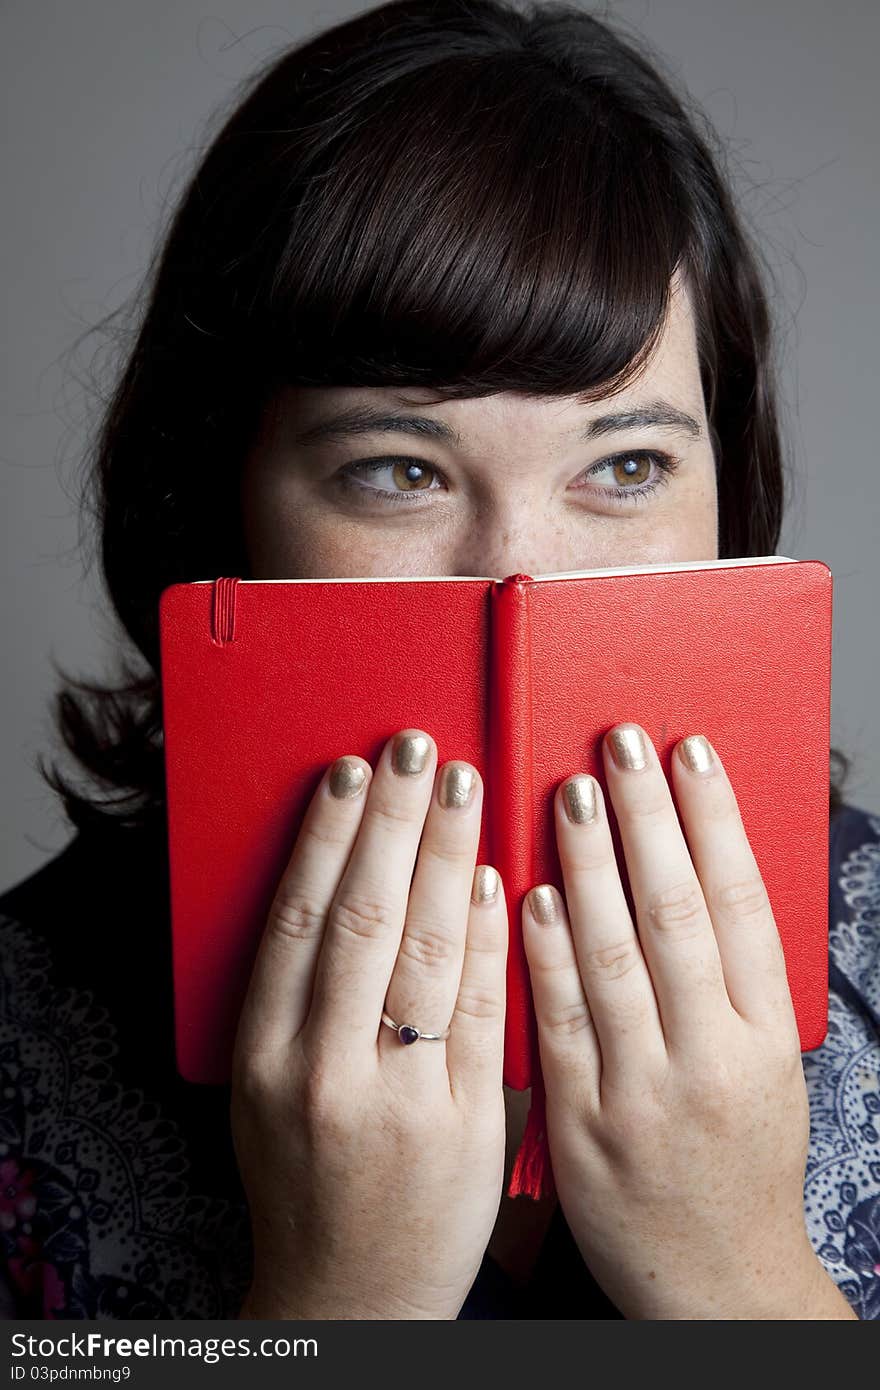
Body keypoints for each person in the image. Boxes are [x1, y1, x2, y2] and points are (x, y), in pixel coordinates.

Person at [1, 0, 877, 1320]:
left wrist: (739, 1275)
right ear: (214, 499)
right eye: (396, 469)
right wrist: (333, 1300)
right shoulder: (23, 1029)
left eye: (627, 465)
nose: (519, 576)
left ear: (731, 503)